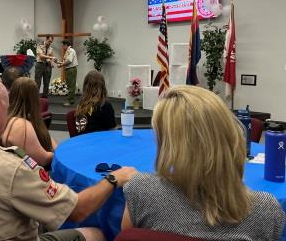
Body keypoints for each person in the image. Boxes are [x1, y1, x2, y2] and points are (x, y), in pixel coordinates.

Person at [0, 73, 137, 241]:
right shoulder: (13, 169)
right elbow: (78, 210)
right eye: (6, 103)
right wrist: (115, 178)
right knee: (97, 233)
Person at [121, 85, 285, 240]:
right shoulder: (266, 210)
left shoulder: (141, 190)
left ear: (170, 144)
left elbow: (127, 236)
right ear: (231, 134)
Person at [2, 77, 56, 167]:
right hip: (31, 173)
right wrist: (60, 155)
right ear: (34, 98)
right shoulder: (21, 124)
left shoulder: (8, 117)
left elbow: (50, 143)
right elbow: (43, 159)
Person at [75, 71, 116, 135]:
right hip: (98, 142)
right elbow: (113, 130)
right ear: (102, 86)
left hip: (81, 141)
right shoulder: (105, 105)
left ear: (85, 86)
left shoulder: (81, 104)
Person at [58, 40, 78, 106]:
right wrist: (59, 63)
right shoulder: (67, 51)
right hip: (69, 69)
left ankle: (70, 101)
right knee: (70, 85)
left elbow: (69, 60)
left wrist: (61, 65)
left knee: (71, 85)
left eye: (63, 45)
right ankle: (71, 100)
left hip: (71, 69)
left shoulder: (71, 50)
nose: (62, 47)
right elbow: (66, 61)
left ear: (66, 45)